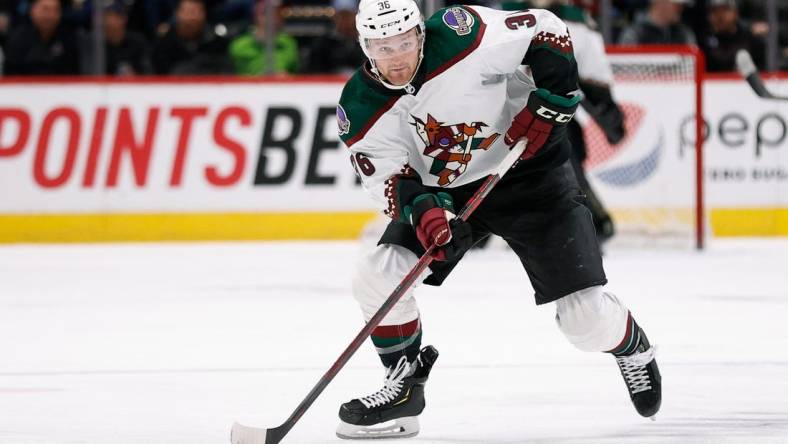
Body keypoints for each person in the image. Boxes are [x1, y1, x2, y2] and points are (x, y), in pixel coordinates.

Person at [335, 0, 661, 439]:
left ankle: (631, 345)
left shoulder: (462, 33)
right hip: (449, 192)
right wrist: (426, 211)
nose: (396, 57)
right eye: (382, 47)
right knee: (377, 273)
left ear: (420, 35)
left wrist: (552, 99)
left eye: (404, 42)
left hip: (530, 174)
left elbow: (545, 32)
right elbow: (391, 180)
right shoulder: (359, 105)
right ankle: (405, 388)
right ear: (365, 46)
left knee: (584, 322)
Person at [152, 0, 232, 75]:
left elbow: (226, 71)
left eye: (196, 12)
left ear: (204, 14)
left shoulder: (216, 42)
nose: (192, 18)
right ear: (177, 14)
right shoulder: (165, 44)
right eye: (187, 12)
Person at [3, 0, 81, 75]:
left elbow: (73, 73)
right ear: (32, 10)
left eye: (56, 10)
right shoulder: (17, 39)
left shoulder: (67, 39)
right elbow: (11, 73)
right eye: (45, 9)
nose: (50, 16)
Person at [228, 0, 299, 75]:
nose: (276, 17)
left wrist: (285, 78)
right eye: (269, 13)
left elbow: (296, 76)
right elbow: (229, 79)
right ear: (258, 14)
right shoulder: (239, 46)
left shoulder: (289, 44)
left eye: (278, 13)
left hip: (282, 86)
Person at [82, 1, 151, 75]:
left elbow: (148, 73)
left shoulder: (137, 42)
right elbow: (88, 75)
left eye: (111, 16)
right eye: (104, 16)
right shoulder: (95, 45)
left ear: (124, 18)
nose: (107, 21)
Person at [701, 0, 767, 72]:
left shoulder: (749, 36)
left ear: (736, 13)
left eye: (725, 10)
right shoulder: (704, 39)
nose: (720, 16)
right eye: (715, 11)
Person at [303, 0, 365, 75]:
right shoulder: (322, 44)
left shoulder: (367, 42)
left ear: (357, 16)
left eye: (348, 15)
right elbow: (313, 71)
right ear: (334, 17)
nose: (345, 20)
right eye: (341, 16)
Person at [618, 0, 696, 45]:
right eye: (677, 5)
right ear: (660, 2)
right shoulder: (634, 33)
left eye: (682, 6)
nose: (681, 9)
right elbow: (624, 68)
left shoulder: (684, 34)